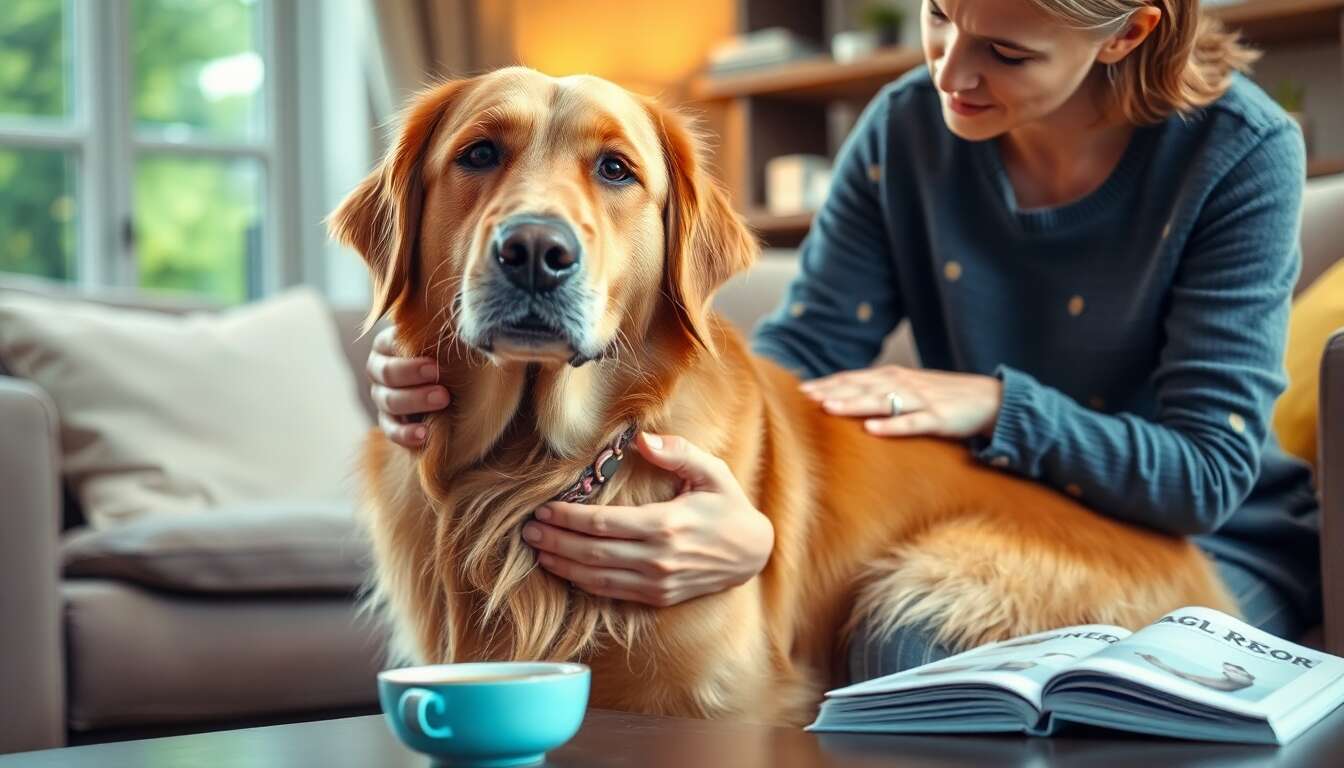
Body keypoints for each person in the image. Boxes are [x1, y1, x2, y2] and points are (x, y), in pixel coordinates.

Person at [364, 0, 1321, 683]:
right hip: (965, 509)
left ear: (1131, 30)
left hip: (1210, 547)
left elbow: (1206, 472)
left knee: (911, 654)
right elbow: (804, 360)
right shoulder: (908, 122)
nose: (949, 71)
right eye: (938, 15)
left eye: (1006, 50)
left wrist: (996, 402)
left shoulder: (1240, 152)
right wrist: (745, 518)